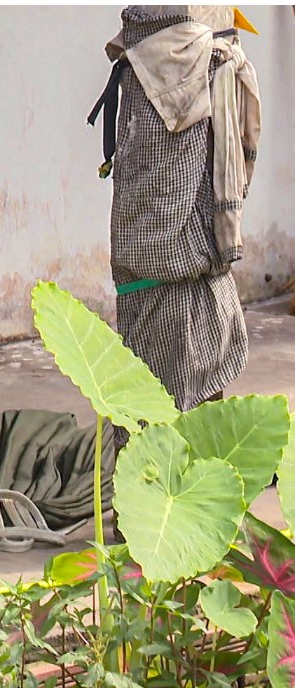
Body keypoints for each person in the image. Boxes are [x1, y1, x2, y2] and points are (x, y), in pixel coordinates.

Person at [95, 7, 260, 420]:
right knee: (165, 263)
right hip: (166, 67)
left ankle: (190, 440)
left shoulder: (208, 60)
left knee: (190, 263)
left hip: (191, 64)